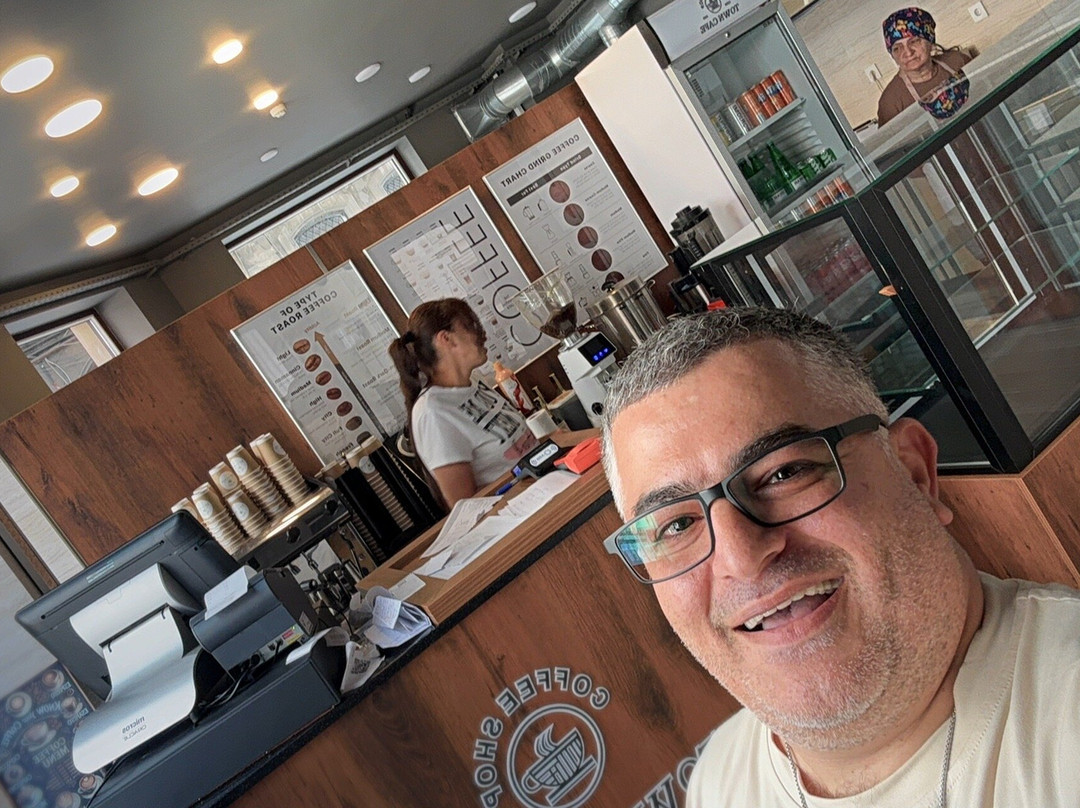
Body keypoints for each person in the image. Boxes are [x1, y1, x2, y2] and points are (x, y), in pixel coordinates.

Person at [599, 307, 1080, 807]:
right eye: (677, 526)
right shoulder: (718, 784)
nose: (741, 558)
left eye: (784, 473)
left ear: (915, 472)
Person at [388, 298, 536, 508]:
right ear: (446, 339)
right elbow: (467, 506)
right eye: (471, 326)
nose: (483, 335)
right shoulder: (432, 412)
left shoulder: (474, 382)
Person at [877, 7, 972, 126]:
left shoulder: (958, 61)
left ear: (930, 42)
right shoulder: (891, 102)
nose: (908, 53)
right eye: (897, 48)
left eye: (914, 41)